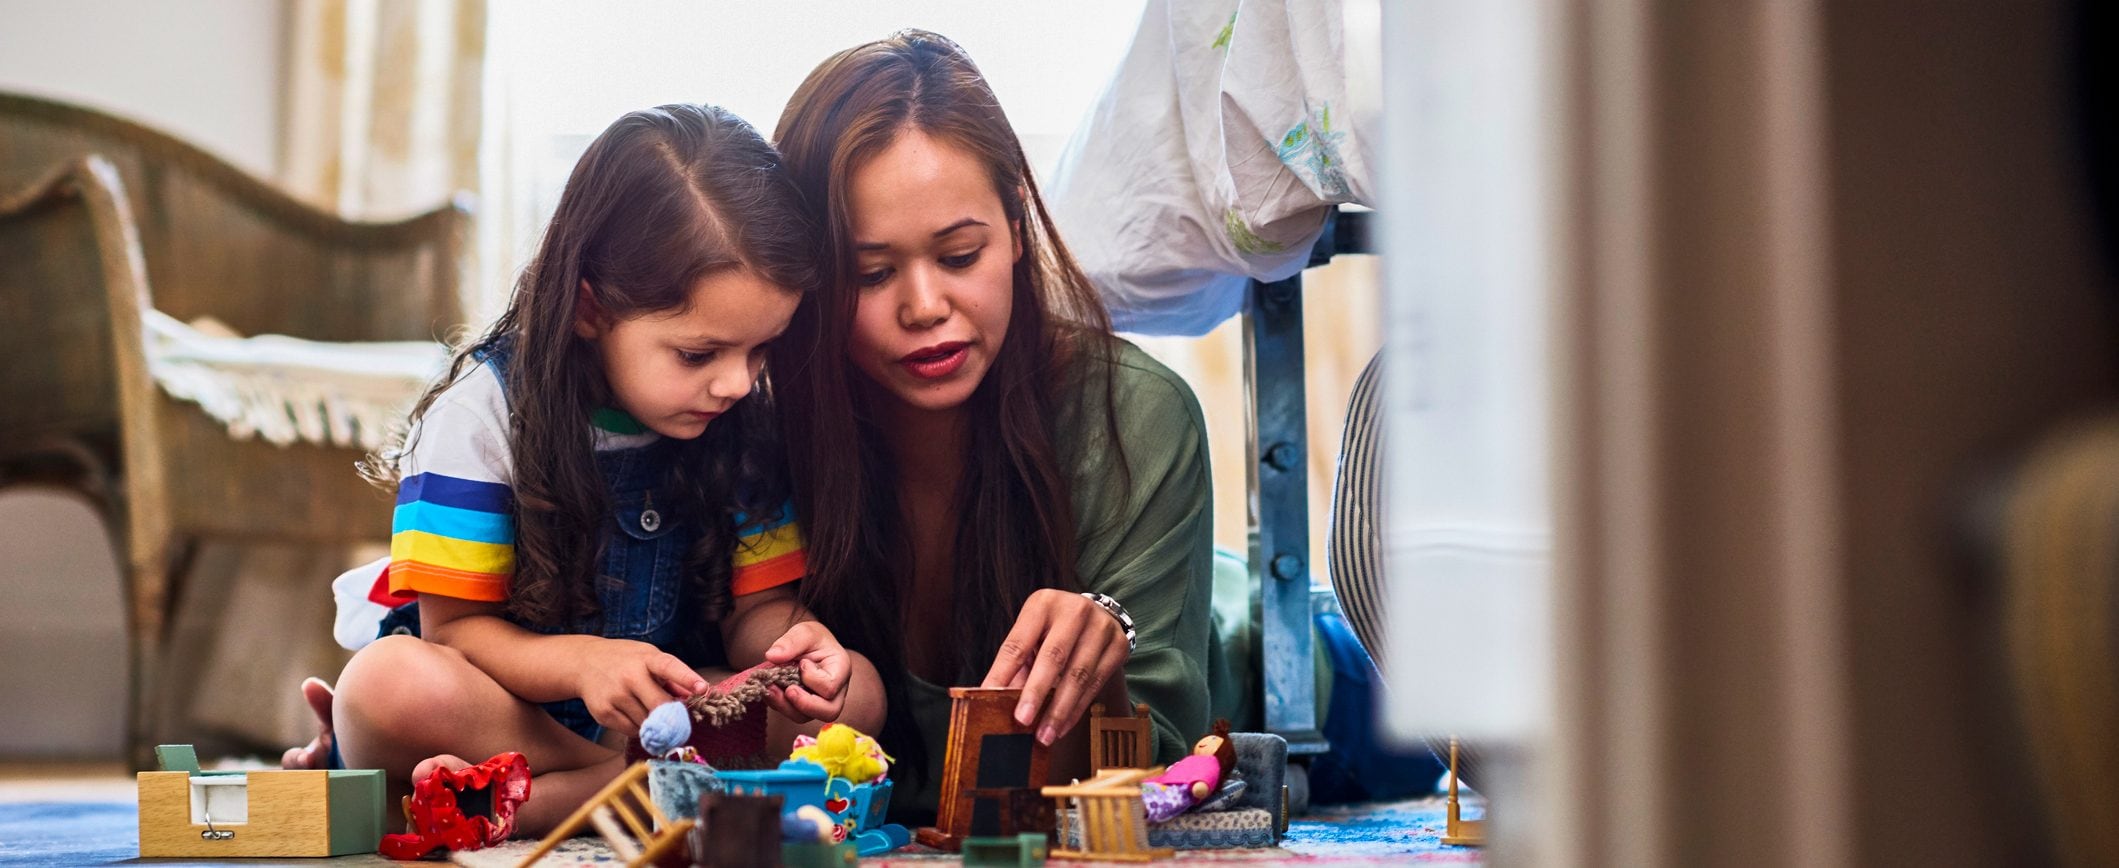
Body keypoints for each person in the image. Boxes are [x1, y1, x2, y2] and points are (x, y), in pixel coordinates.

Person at [286, 103, 883, 837]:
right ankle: (639, 790)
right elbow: (454, 633)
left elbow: (754, 616)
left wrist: (798, 644)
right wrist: (583, 666)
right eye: (699, 354)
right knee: (385, 686)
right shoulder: (481, 417)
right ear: (589, 308)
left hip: (655, 723)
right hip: (501, 713)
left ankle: (518, 804)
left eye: (759, 351)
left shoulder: (740, 423)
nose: (734, 383)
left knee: (859, 695)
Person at [770, 30, 1217, 816]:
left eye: (958, 256)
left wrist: (1101, 664)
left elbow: (1168, 774)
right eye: (870, 274)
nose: (924, 307)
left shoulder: (1136, 418)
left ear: (1015, 225)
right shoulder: (759, 437)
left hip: (1255, 650)